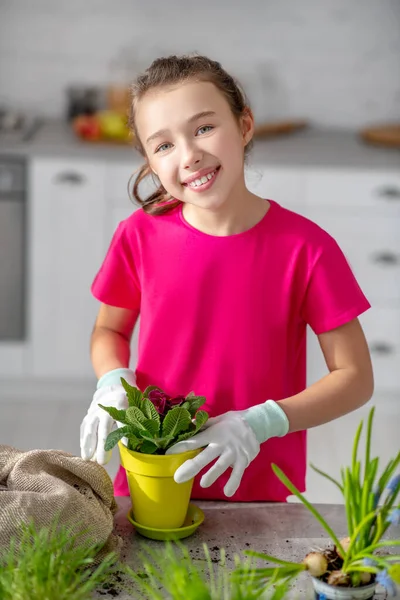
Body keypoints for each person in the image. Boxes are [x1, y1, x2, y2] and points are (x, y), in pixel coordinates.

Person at [80, 54, 373, 502]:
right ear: (151, 163)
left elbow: (354, 378)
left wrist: (262, 422)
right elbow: (109, 329)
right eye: (164, 146)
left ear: (245, 125)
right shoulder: (138, 235)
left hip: (256, 483)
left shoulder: (307, 249)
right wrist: (112, 382)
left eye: (203, 128)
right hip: (153, 476)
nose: (190, 155)